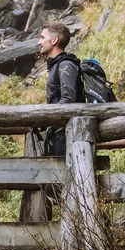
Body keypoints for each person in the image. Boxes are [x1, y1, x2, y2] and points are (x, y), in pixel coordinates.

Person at [38, 21, 83, 156]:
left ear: (54, 40)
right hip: (61, 133)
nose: (38, 42)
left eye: (42, 38)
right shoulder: (57, 66)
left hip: (67, 136)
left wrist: (44, 118)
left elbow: (68, 101)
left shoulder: (65, 65)